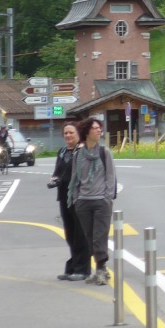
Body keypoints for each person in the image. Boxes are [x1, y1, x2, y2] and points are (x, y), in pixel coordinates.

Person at [68, 118, 116, 285]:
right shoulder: (78, 154)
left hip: (101, 202)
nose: (98, 131)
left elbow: (111, 177)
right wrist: (76, 199)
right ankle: (99, 270)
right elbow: (75, 178)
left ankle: (101, 270)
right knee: (89, 238)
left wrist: (107, 198)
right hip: (83, 202)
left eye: (99, 128)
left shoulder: (104, 152)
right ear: (86, 132)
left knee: (99, 237)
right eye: (95, 128)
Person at [49, 121, 90, 281]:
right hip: (64, 196)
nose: (68, 135)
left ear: (78, 134)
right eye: (65, 133)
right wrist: (53, 180)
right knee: (70, 234)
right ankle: (73, 267)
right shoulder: (62, 151)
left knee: (80, 234)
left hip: (79, 197)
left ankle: (83, 269)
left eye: (71, 132)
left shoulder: (84, 151)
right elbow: (58, 172)